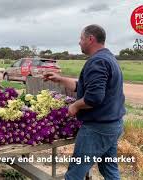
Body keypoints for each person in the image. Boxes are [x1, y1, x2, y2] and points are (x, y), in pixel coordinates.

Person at [43, 24, 125, 180]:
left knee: (75, 173)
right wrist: (60, 79)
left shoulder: (98, 62)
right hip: (113, 125)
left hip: (97, 128)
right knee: (109, 169)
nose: (79, 42)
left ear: (90, 39)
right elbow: (84, 87)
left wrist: (74, 106)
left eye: (81, 38)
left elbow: (94, 98)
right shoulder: (108, 58)